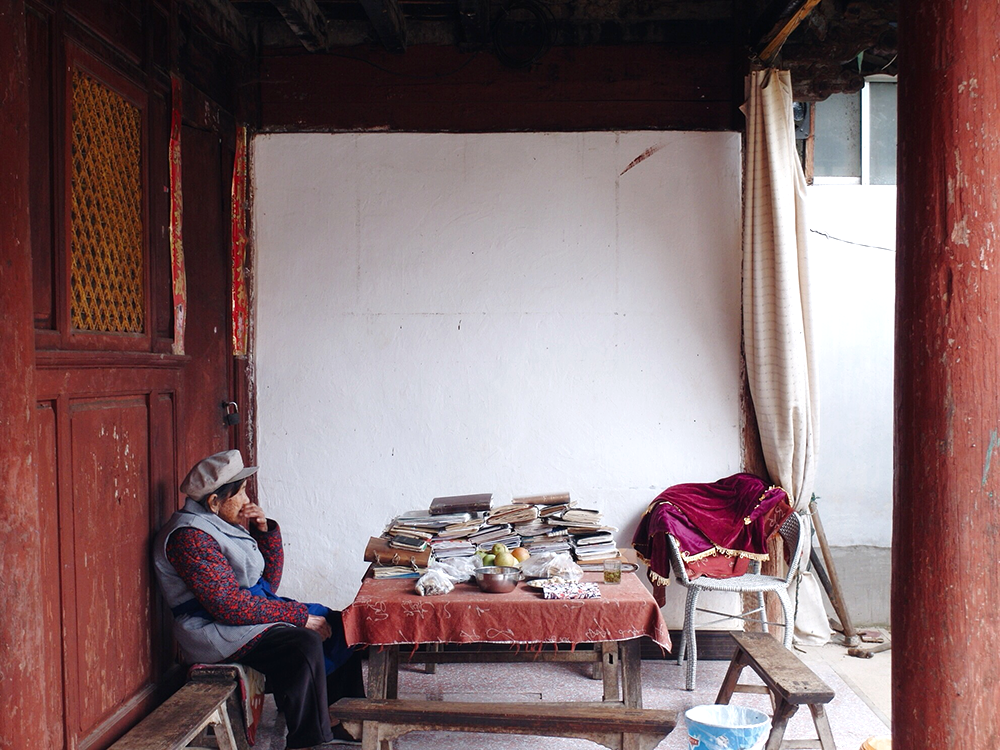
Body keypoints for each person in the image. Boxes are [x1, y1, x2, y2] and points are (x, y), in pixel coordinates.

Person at [153, 450, 364, 748]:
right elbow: (227, 606)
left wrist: (263, 532)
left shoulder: (218, 523)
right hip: (214, 630)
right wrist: (298, 617)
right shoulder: (189, 537)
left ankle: (346, 719)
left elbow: (267, 586)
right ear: (213, 502)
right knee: (302, 643)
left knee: (338, 624)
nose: (247, 500)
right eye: (239, 493)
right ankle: (309, 737)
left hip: (239, 620)